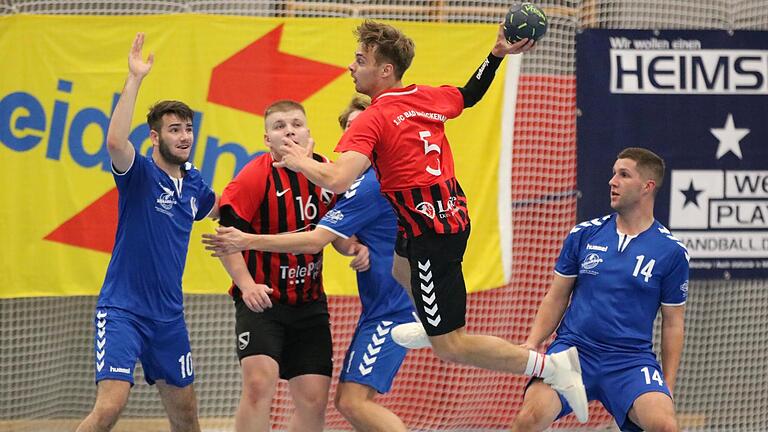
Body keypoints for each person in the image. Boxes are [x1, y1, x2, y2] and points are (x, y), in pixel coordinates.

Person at [270, 20, 590, 422]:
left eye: (360, 59)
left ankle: (552, 368)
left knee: (451, 345)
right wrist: (494, 56)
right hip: (445, 216)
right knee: (397, 266)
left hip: (431, 235)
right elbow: (469, 94)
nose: (351, 67)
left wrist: (299, 160)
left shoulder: (373, 118)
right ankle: (426, 317)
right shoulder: (422, 96)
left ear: (384, 70)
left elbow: (337, 177)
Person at [203, 96, 416, 431]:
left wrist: (352, 247)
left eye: (296, 124)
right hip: (263, 300)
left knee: (314, 399)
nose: (289, 132)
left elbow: (336, 230)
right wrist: (245, 285)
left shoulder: (327, 173)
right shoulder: (254, 176)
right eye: (279, 126)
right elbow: (229, 237)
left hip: (309, 304)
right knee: (260, 384)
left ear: (308, 132)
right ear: (267, 139)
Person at [76, 33, 219, 432]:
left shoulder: (195, 186)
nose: (184, 136)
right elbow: (114, 140)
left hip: (169, 318)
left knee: (187, 417)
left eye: (188, 128)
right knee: (109, 408)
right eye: (174, 130)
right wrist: (135, 78)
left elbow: (227, 209)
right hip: (122, 311)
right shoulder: (139, 174)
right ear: (155, 137)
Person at [510, 147, 688, 431]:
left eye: (623, 174)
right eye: (613, 173)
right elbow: (556, 296)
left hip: (630, 360)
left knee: (664, 425)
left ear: (647, 187)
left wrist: (667, 384)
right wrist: (532, 343)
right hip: (572, 352)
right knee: (528, 419)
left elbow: (673, 324)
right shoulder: (584, 234)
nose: (612, 181)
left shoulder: (671, 251)